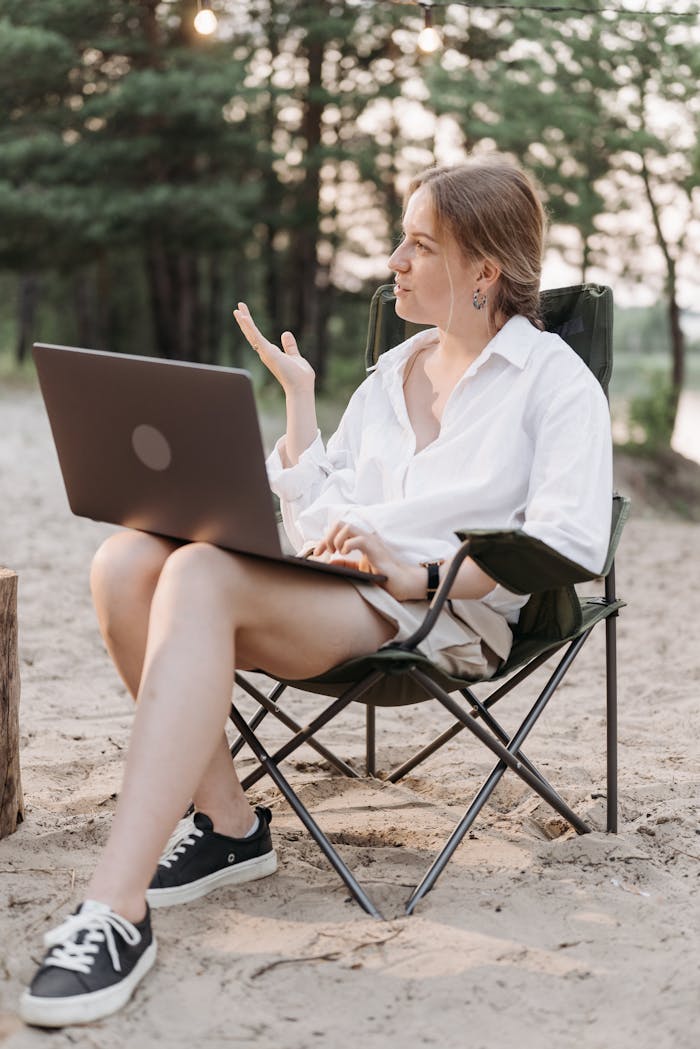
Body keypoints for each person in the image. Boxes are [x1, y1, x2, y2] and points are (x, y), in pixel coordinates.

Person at [20, 157, 612, 1027]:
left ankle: (114, 909)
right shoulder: (390, 375)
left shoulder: (553, 383)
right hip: (342, 593)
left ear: (484, 270)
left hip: (437, 612)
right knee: (126, 561)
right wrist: (299, 404)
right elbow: (320, 519)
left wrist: (420, 570)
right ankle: (227, 824)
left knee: (197, 571)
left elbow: (565, 538)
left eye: (419, 245)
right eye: (400, 243)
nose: (395, 263)